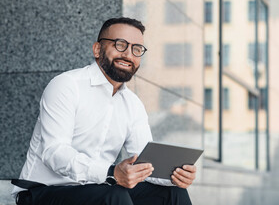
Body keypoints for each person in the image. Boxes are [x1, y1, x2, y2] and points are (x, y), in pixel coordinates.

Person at [12, 17, 197, 205]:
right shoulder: (67, 85)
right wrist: (111, 172)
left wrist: (175, 176)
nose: (128, 54)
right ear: (97, 49)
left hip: (99, 189)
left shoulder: (133, 104)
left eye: (136, 49)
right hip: (42, 192)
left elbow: (144, 163)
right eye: (120, 45)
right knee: (115, 196)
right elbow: (55, 152)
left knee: (173, 193)